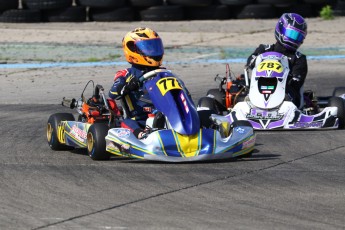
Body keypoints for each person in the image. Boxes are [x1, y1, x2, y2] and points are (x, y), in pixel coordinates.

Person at [108, 27, 165, 139]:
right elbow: (113, 94)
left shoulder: (164, 72)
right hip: (140, 119)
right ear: (133, 50)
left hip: (166, 113)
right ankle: (142, 136)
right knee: (128, 122)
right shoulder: (126, 74)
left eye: (155, 47)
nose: (153, 52)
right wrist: (128, 86)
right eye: (148, 48)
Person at [246, 13, 308, 109]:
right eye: (292, 34)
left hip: (285, 92)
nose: (294, 39)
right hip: (259, 85)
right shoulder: (264, 49)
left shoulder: (299, 58)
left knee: (290, 93)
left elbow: (297, 81)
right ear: (281, 30)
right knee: (243, 86)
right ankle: (250, 102)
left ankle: (282, 108)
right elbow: (250, 61)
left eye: (298, 37)